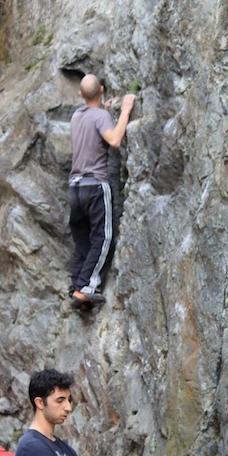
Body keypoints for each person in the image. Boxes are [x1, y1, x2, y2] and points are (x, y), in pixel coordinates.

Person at [68, 73, 135, 310]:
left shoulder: (77, 116)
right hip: (95, 186)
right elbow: (115, 139)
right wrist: (125, 110)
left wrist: (103, 111)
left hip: (75, 188)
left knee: (83, 241)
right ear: (103, 90)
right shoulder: (101, 116)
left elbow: (94, 118)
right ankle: (88, 287)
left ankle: (76, 288)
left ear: (80, 95)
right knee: (103, 237)